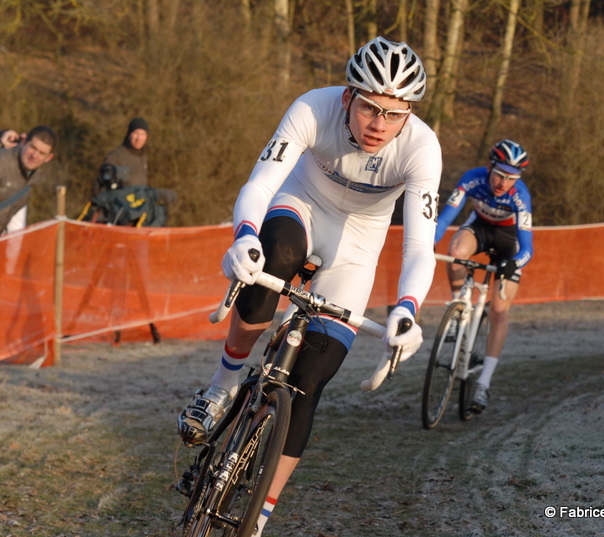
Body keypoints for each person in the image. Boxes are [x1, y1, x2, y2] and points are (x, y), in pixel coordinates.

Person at [177, 36, 441, 535]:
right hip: (302, 205)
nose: (379, 124)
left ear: (409, 114)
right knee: (271, 259)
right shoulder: (311, 108)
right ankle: (224, 383)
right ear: (348, 97)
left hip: (358, 246)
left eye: (394, 113)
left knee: (310, 380)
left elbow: (420, 247)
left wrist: (408, 309)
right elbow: (260, 183)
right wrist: (245, 236)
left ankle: (261, 513)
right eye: (369, 108)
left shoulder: (422, 147)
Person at [433, 139, 534, 414]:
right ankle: (458, 310)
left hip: (508, 239)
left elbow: (528, 248)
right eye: (500, 174)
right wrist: (429, 242)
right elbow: (444, 219)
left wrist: (513, 264)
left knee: (500, 310)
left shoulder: (520, 197)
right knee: (455, 251)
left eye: (512, 178)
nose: (504, 182)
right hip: (478, 227)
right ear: (489, 167)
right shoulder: (472, 179)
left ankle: (483, 384)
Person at [0, 126, 57, 235]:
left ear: (48, 158)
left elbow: (15, 224)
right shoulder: (3, 163)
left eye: (41, 153)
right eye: (32, 147)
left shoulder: (32, 179)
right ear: (23, 142)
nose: (34, 155)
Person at [92, 117, 149, 196]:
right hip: (119, 206)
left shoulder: (143, 157)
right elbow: (100, 187)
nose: (139, 138)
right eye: (136, 133)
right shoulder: (115, 157)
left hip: (140, 205)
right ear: (129, 134)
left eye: (143, 134)